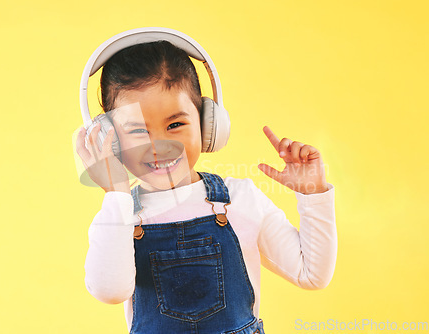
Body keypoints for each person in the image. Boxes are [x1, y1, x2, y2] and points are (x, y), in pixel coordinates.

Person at [76, 38, 337, 334]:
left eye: (175, 125)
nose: (159, 147)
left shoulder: (240, 199)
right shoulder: (119, 216)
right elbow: (110, 291)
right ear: (109, 140)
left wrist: (313, 194)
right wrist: (117, 195)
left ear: (208, 124)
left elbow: (312, 274)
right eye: (137, 130)